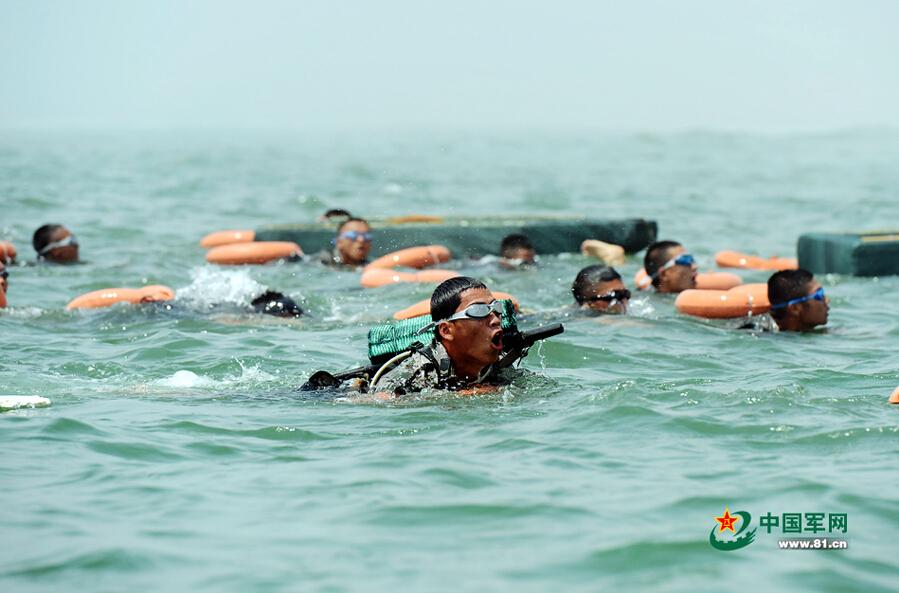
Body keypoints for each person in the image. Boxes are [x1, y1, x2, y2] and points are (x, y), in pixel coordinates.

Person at [372, 277, 512, 395]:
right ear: (446, 330)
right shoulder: (420, 371)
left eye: (496, 307)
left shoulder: (503, 361)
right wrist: (463, 395)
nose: (496, 320)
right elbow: (378, 400)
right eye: (478, 311)